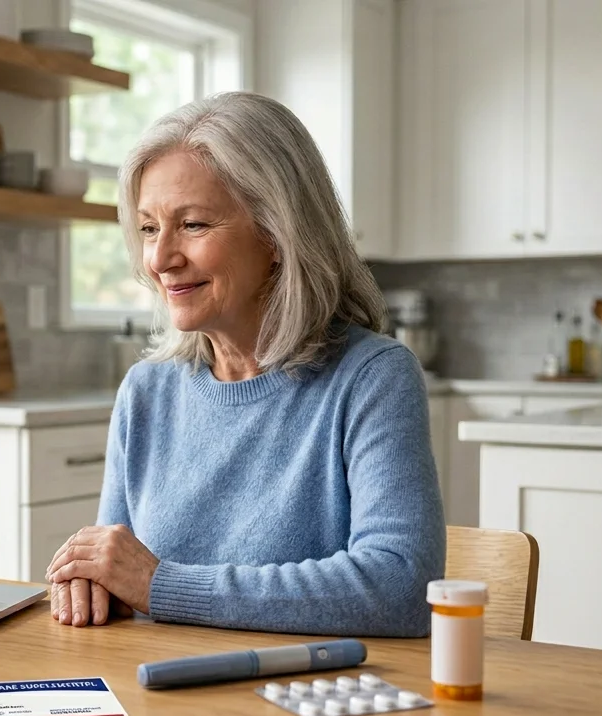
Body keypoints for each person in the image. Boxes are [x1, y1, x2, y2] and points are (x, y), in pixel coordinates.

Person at [44, 92, 445, 637]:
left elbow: (401, 588)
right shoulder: (146, 391)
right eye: (147, 228)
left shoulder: (373, 377)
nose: (160, 259)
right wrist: (85, 579)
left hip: (312, 708)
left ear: (278, 233)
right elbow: (119, 575)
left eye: (193, 225)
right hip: (162, 696)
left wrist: (163, 586)